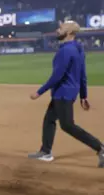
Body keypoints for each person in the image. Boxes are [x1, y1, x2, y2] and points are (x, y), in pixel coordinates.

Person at [28, 21, 104, 167]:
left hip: (63, 93)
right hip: (68, 92)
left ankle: (100, 147)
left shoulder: (65, 51)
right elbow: (83, 75)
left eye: (61, 28)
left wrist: (39, 92)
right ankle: (45, 151)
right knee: (49, 119)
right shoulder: (78, 49)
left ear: (69, 33)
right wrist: (83, 95)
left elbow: (57, 76)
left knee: (68, 125)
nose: (57, 30)